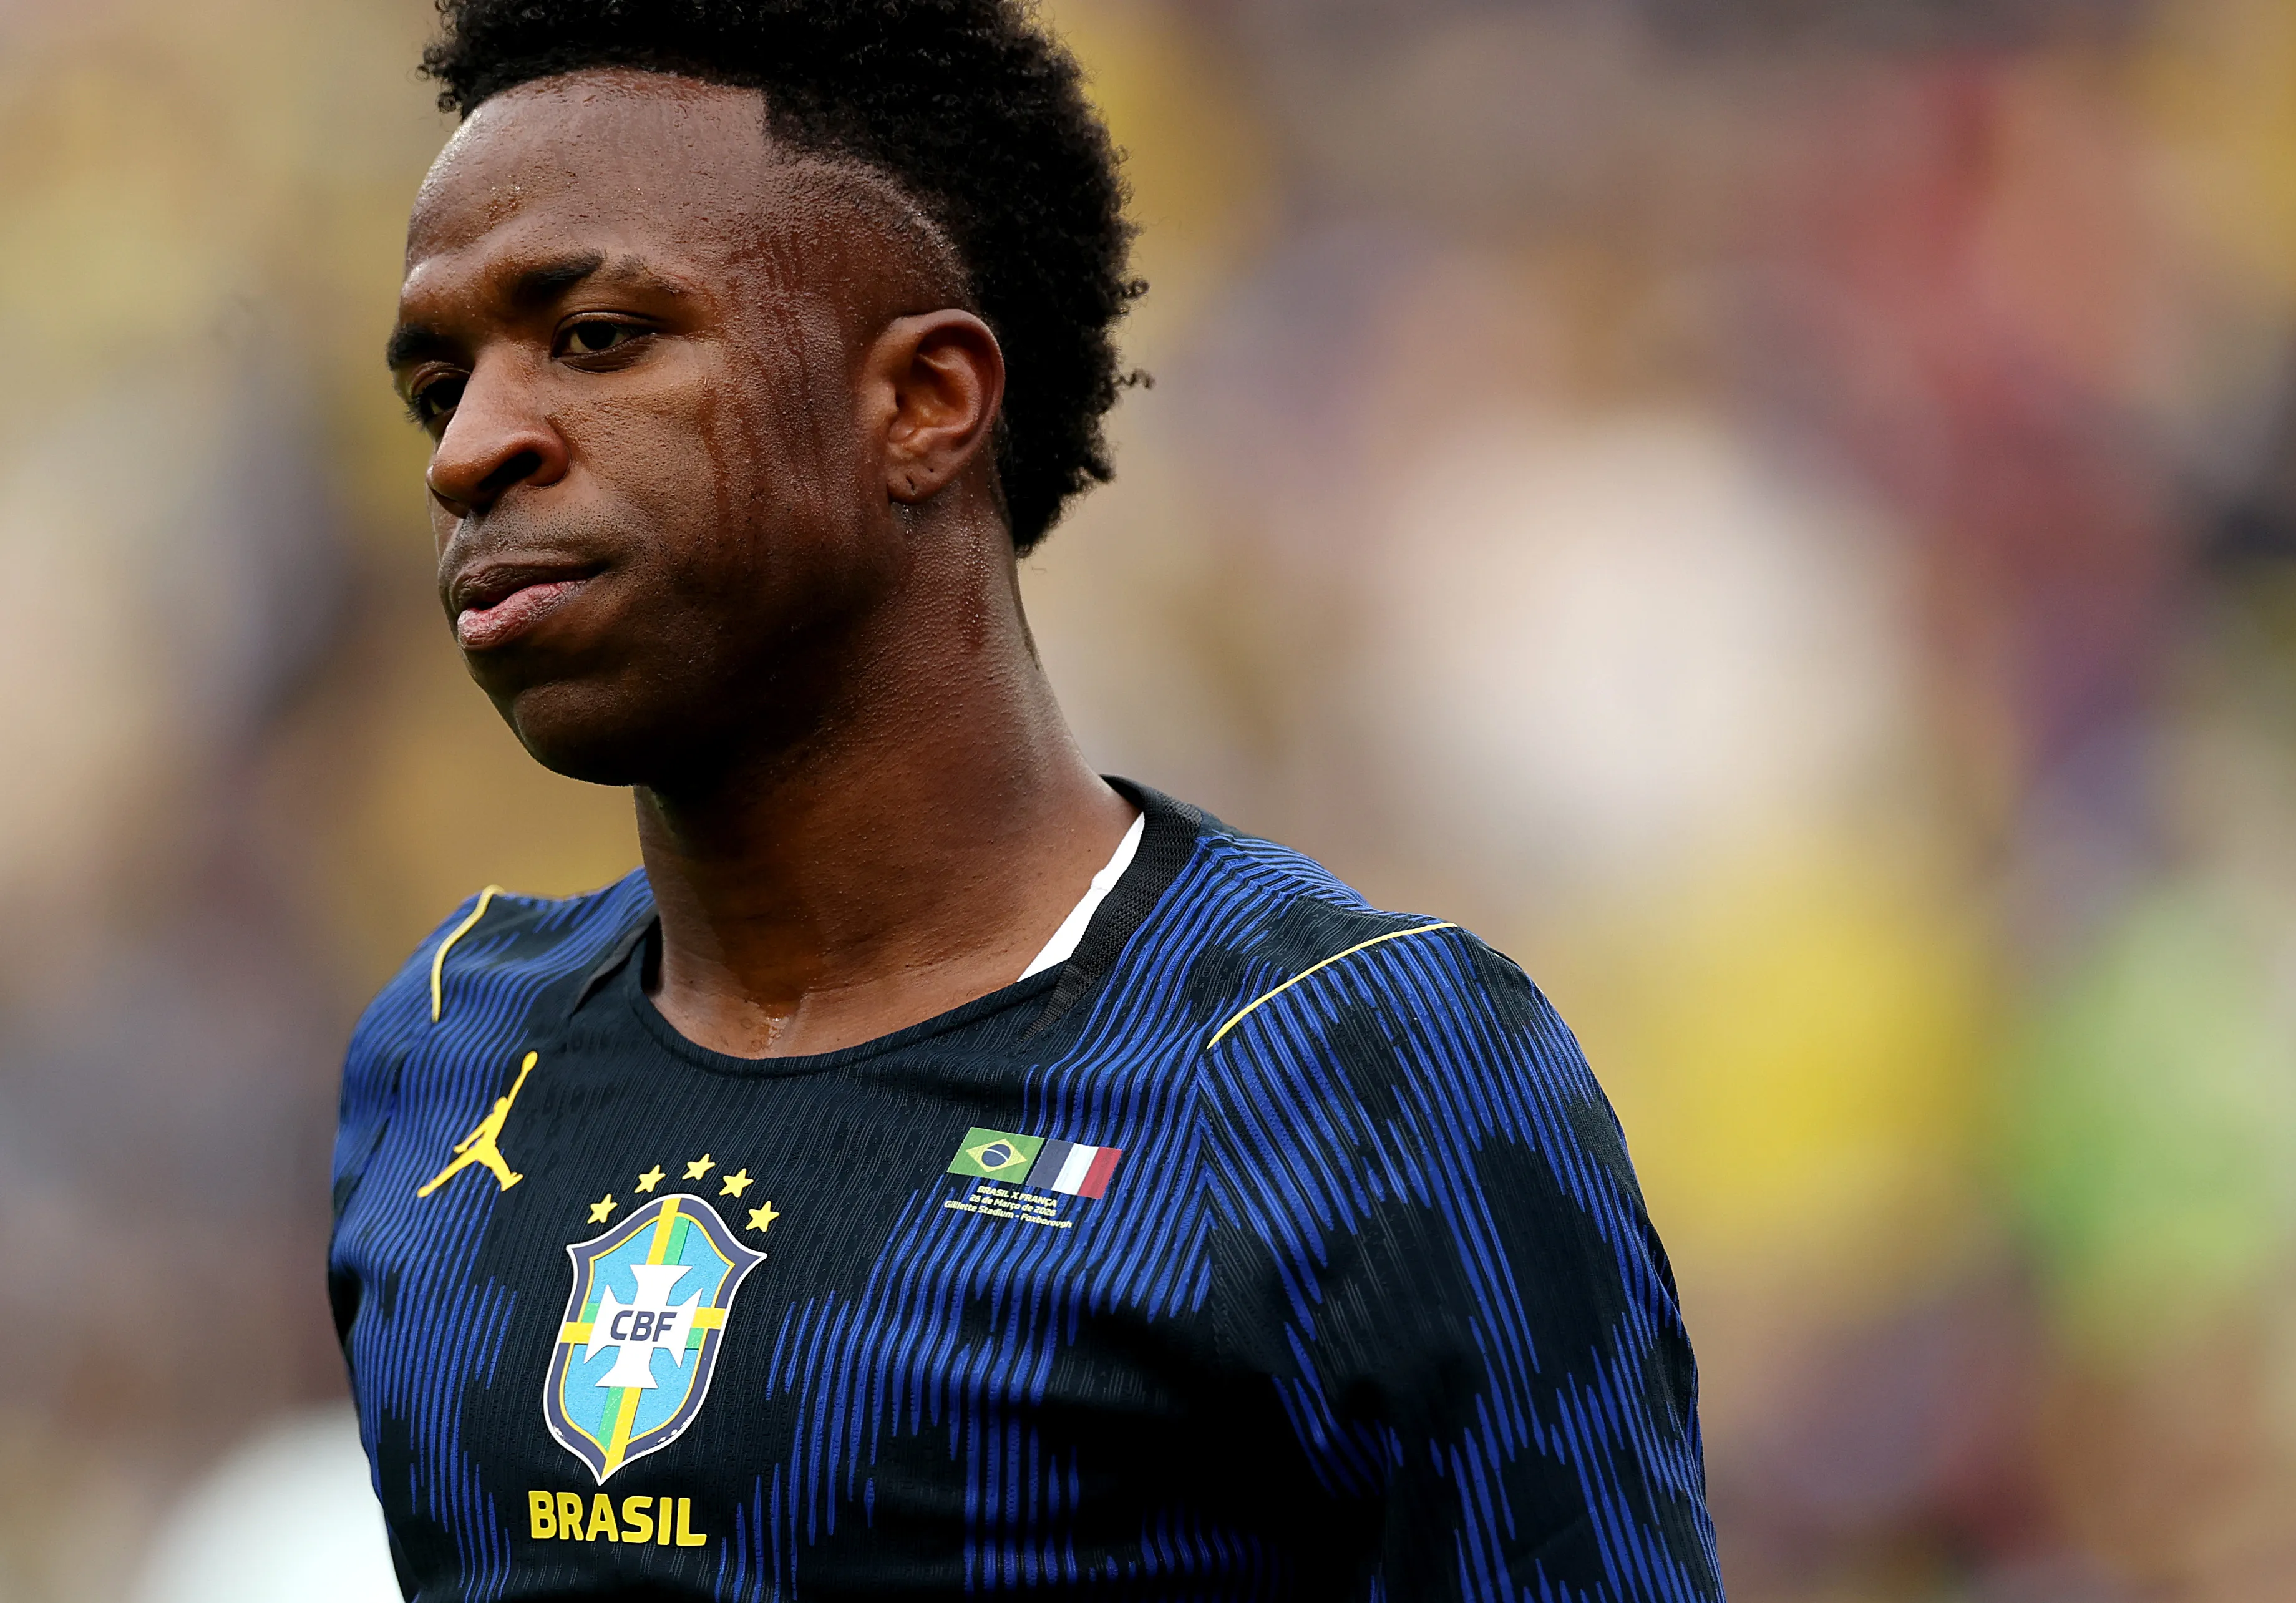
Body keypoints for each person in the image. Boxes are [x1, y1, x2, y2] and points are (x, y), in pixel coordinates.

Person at [328, 2, 1724, 1597]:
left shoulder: (1351, 1070)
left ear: (922, 402)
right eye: (439, 384)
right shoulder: (447, 1047)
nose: (471, 452)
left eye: (595, 339)